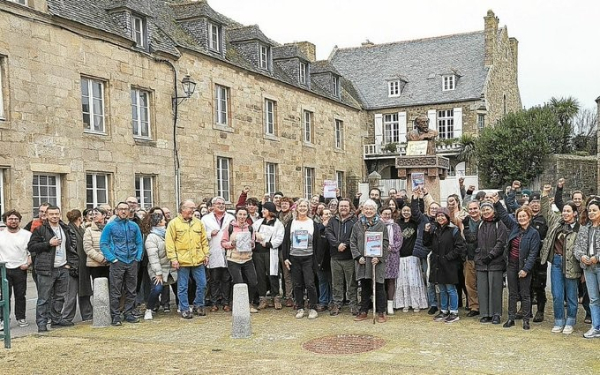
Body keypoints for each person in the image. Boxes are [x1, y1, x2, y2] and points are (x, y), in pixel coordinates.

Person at [28, 205, 78, 332]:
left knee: (60, 297)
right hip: (46, 269)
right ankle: (42, 324)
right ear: (46, 216)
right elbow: (32, 246)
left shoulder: (65, 228)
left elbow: (71, 246)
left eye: (56, 214)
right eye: (51, 214)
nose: (54, 216)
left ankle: (56, 320)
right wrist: (48, 244)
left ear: (60, 214)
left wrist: (69, 264)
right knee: (44, 298)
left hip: (63, 267)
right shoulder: (40, 229)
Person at [540, 184, 581, 334]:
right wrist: (544, 194)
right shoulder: (556, 222)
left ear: (575, 213)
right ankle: (558, 320)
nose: (565, 213)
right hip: (556, 262)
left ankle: (570, 320)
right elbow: (545, 211)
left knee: (571, 295)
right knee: (557, 294)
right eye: (563, 211)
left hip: (572, 264)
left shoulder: (579, 229)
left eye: (568, 211)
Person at [494, 197, 541, 330]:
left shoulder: (534, 233)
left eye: (524, 216)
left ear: (529, 217)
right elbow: (504, 216)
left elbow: (533, 253)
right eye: (519, 216)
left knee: (525, 294)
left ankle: (526, 320)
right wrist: (497, 203)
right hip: (512, 265)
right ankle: (511, 318)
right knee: (512, 293)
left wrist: (526, 269)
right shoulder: (514, 226)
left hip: (524, 266)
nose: (521, 219)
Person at [100, 201, 144, 325]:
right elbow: (103, 243)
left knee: (131, 289)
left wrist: (138, 257)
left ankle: (128, 312)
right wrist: (112, 258)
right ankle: (115, 315)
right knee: (116, 289)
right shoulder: (110, 226)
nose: (123, 211)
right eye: (121, 209)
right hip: (117, 261)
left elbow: (139, 242)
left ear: (129, 210)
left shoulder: (134, 226)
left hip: (132, 261)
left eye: (126, 209)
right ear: (116, 211)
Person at [167, 200, 210, 318]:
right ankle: (185, 308)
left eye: (194, 208)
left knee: (202, 284)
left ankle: (198, 305)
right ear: (182, 209)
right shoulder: (174, 223)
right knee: (183, 287)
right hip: (182, 261)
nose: (193, 210)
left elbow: (204, 241)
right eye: (190, 208)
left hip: (198, 260)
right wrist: (173, 259)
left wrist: (206, 255)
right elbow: (170, 243)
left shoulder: (198, 223)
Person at [424, 207, 466, 324]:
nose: (440, 218)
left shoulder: (454, 230)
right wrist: (426, 232)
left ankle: (454, 311)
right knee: (442, 288)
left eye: (443, 216)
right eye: (438, 216)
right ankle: (444, 310)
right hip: (437, 264)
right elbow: (426, 243)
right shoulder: (435, 230)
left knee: (450, 289)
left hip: (449, 264)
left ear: (447, 217)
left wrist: (448, 257)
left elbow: (460, 247)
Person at [350, 199, 389, 323]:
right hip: (362, 261)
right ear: (362, 210)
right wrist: (357, 257)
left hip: (376, 262)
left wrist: (379, 257)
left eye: (371, 209)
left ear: (375, 210)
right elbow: (352, 242)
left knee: (379, 287)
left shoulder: (381, 225)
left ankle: (381, 312)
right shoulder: (357, 225)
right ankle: (363, 311)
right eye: (366, 209)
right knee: (365, 287)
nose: (368, 211)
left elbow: (385, 242)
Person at [282, 199, 320, 319]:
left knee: (310, 283)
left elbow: (317, 242)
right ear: (296, 208)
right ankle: (300, 307)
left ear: (308, 209)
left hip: (308, 257)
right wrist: (286, 258)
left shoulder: (312, 223)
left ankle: (313, 308)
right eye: (300, 206)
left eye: (305, 206)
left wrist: (317, 260)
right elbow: (285, 242)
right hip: (294, 258)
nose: (302, 208)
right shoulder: (291, 223)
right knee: (297, 284)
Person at [474, 202, 507, 325]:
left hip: (495, 262)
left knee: (495, 288)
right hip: (481, 262)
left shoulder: (499, 224)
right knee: (482, 289)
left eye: (488, 209)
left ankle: (496, 314)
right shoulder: (480, 224)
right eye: (483, 209)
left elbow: (501, 242)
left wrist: (491, 255)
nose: (486, 211)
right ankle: (485, 313)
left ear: (493, 210)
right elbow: (476, 241)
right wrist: (479, 256)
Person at [221, 207, 259, 313]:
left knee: (253, 282)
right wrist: (231, 244)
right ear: (236, 215)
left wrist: (252, 244)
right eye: (240, 214)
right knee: (238, 283)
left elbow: (253, 243)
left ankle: (249, 303)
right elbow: (223, 242)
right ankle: (238, 305)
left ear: (247, 216)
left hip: (247, 258)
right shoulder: (230, 227)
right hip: (233, 258)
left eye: (244, 215)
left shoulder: (250, 228)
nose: (242, 217)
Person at [201, 196, 235, 312]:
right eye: (218, 204)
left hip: (227, 251)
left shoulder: (231, 218)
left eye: (223, 203)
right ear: (213, 206)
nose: (221, 205)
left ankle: (225, 302)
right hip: (213, 250)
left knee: (226, 278)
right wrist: (210, 233)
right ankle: (214, 302)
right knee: (214, 279)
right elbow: (201, 235)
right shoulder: (205, 219)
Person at [325, 198, 358, 316]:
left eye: (346, 206)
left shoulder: (355, 221)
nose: (343, 208)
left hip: (349, 257)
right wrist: (337, 244)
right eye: (341, 206)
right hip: (335, 257)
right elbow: (328, 233)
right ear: (338, 207)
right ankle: (337, 304)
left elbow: (356, 236)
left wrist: (346, 244)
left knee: (351, 283)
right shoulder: (332, 220)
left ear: (350, 208)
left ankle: (353, 304)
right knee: (336, 283)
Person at [394, 201, 428, 313]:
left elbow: (420, 213)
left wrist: (418, 199)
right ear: (401, 212)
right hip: (400, 256)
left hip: (413, 256)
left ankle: (416, 303)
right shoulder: (397, 223)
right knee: (402, 280)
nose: (406, 212)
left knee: (414, 280)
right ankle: (404, 303)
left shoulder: (415, 222)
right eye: (404, 210)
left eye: (408, 210)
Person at [0, 210, 32, 329]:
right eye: (11, 219)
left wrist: (27, 264)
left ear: (19, 221)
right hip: (4, 269)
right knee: (4, 296)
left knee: (20, 295)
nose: (13, 221)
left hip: (20, 269)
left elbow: (31, 253)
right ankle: (3, 319)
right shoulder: (1, 235)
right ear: (6, 220)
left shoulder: (26, 235)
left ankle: (21, 318)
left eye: (16, 219)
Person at [574, 199, 600, 338]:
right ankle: (595, 327)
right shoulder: (584, 228)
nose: (591, 213)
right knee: (593, 298)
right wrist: (582, 256)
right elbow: (577, 248)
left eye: (594, 210)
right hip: (588, 268)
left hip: (599, 265)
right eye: (589, 210)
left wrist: (598, 257)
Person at [144, 212, 177, 320]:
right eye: (163, 220)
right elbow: (153, 257)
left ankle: (182, 305)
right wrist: (158, 273)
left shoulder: (168, 233)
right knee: (157, 288)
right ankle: (149, 308)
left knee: (181, 285)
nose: (165, 222)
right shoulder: (151, 238)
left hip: (171, 267)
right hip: (158, 268)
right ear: (158, 223)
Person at [252, 202, 285, 310]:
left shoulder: (278, 224)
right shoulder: (259, 222)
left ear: (270, 211)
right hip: (258, 252)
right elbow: (251, 230)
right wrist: (255, 234)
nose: (262, 211)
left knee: (273, 275)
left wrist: (268, 244)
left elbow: (280, 238)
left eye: (264, 209)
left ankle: (276, 297)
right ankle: (263, 298)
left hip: (270, 251)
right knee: (260, 275)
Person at [63, 209, 93, 323]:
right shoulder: (70, 230)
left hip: (81, 265)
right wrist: (68, 263)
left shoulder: (79, 229)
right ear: (79, 218)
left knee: (84, 292)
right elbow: (69, 248)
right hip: (74, 265)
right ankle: (66, 317)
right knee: (71, 294)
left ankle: (87, 314)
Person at [380, 206, 402, 314]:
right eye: (385, 214)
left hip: (392, 256)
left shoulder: (395, 226)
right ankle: (381, 304)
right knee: (380, 280)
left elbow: (399, 241)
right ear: (381, 214)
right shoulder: (378, 225)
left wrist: (391, 248)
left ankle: (390, 305)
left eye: (389, 214)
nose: (387, 216)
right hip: (380, 256)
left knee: (391, 280)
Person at [462, 201, 481, 318]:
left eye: (475, 208)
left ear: (479, 209)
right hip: (469, 257)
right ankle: (474, 306)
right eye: (470, 209)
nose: (473, 211)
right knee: (470, 284)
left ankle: (484, 305)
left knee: (482, 284)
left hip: (482, 258)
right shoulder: (466, 222)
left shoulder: (484, 221)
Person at [83, 206, 110, 280]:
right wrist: (101, 258)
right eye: (92, 214)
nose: (93, 216)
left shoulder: (110, 228)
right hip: (95, 265)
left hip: (109, 263)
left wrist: (108, 257)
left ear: (104, 215)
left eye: (96, 214)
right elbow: (88, 248)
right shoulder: (89, 230)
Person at [315, 208, 333, 311]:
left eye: (330, 214)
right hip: (320, 259)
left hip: (331, 257)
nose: (328, 216)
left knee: (332, 282)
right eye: (326, 214)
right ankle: (323, 301)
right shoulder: (317, 226)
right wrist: (323, 225)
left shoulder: (334, 226)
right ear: (321, 216)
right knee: (322, 281)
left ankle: (332, 301)